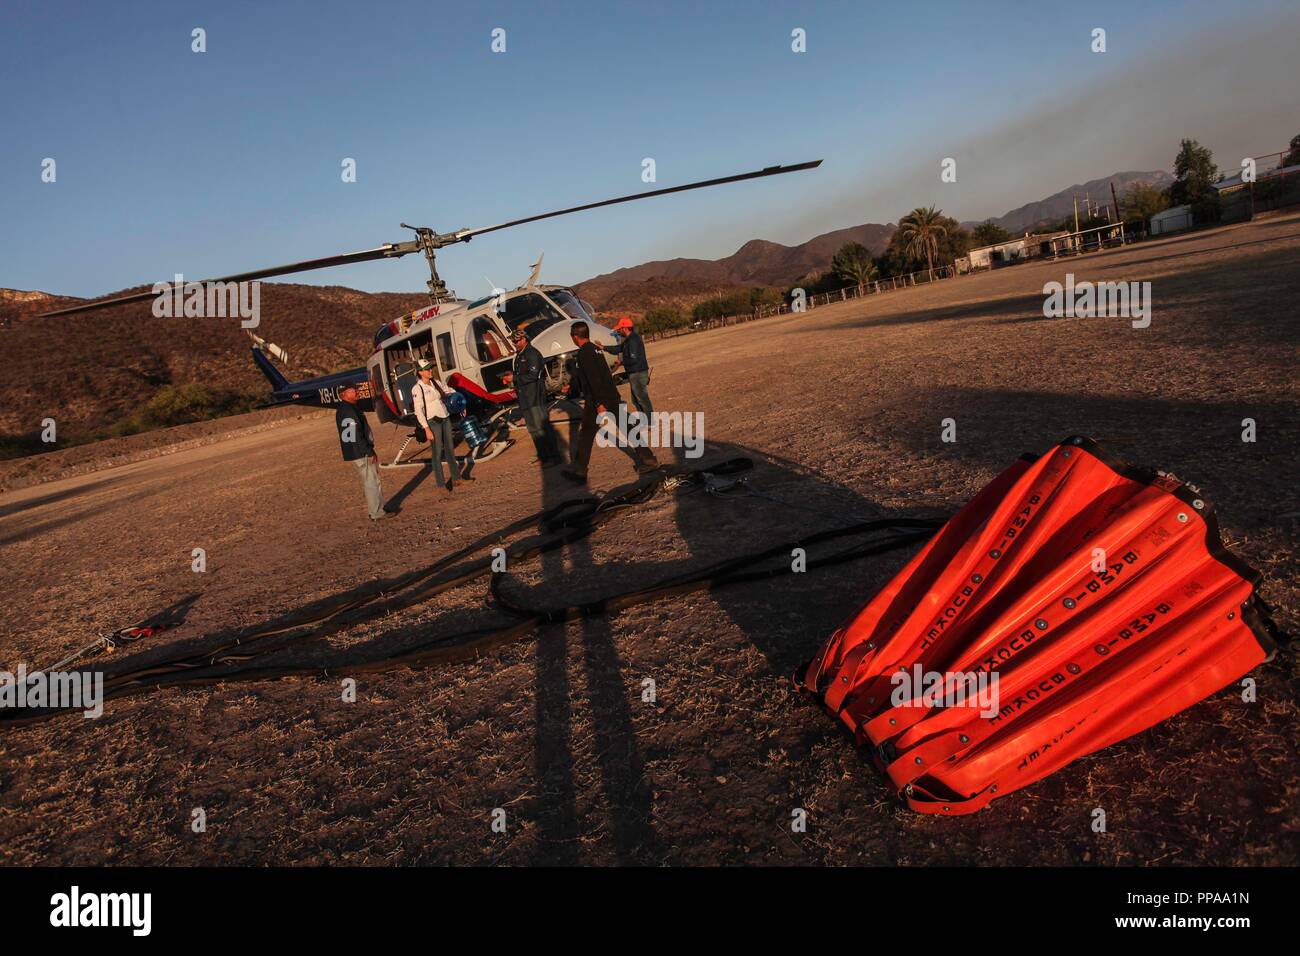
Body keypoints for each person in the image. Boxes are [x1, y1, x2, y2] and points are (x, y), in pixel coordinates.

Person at [561, 321, 658, 484]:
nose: (572, 338)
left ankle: (579, 472)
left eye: (572, 335)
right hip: (610, 395)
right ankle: (649, 459)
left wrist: (599, 403)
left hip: (598, 398)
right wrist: (571, 388)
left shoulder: (584, 352)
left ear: (575, 336)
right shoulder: (595, 350)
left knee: (586, 434)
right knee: (626, 426)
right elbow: (597, 375)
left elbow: (594, 379)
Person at [503, 324, 560, 466]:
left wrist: (514, 378)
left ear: (524, 339)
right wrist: (511, 377)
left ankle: (554, 456)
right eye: (513, 341)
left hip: (535, 397)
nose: (514, 344)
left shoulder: (532, 353)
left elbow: (533, 375)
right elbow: (522, 374)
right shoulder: (519, 356)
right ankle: (543, 455)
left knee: (543, 427)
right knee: (533, 429)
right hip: (525, 399)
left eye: (516, 341)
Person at [335, 382, 391, 520]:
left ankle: (377, 509)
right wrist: (368, 451)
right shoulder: (349, 410)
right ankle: (377, 512)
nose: (357, 391)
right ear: (344, 394)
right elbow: (355, 435)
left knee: (371, 481)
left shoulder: (345, 409)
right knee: (371, 482)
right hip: (361, 452)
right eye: (352, 390)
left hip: (357, 451)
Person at [411, 359, 458, 492]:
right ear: (420, 372)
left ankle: (457, 479)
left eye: (431, 368)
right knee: (437, 453)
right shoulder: (417, 388)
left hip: (445, 417)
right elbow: (418, 411)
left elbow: (448, 391)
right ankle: (441, 485)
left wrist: (458, 398)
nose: (430, 370)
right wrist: (426, 428)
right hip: (432, 422)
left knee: (450, 449)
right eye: (427, 369)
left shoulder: (436, 383)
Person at [602, 315, 654, 418]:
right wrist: (603, 347)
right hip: (635, 373)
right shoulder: (628, 339)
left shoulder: (633, 340)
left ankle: (649, 421)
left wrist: (621, 363)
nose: (619, 331)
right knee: (636, 400)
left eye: (619, 329)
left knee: (642, 398)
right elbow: (618, 348)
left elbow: (633, 359)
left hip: (638, 373)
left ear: (625, 328)